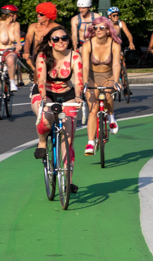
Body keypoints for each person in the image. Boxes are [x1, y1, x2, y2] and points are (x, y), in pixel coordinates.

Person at [31, 26, 83, 169]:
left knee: (69, 139)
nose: (60, 41)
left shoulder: (75, 56)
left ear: (68, 40)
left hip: (67, 94)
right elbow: (41, 80)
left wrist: (78, 96)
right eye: (56, 39)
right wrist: (43, 98)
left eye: (64, 38)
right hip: (45, 92)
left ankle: (68, 178)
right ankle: (42, 142)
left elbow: (79, 80)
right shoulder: (43, 56)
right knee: (45, 117)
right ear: (50, 42)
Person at [81, 16, 123, 155]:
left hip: (108, 76)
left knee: (108, 93)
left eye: (101, 27)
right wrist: (85, 82)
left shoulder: (114, 44)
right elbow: (85, 66)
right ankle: (90, 142)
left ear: (108, 30)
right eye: (95, 27)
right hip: (92, 78)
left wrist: (116, 81)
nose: (98, 30)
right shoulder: (88, 45)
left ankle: (111, 116)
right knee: (93, 110)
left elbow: (116, 64)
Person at [23, 3, 60, 75]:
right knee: (38, 78)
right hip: (37, 58)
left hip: (52, 58)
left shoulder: (56, 27)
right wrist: (26, 52)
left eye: (41, 14)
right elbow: (28, 39)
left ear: (48, 16)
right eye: (38, 14)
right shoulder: (33, 27)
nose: (38, 16)